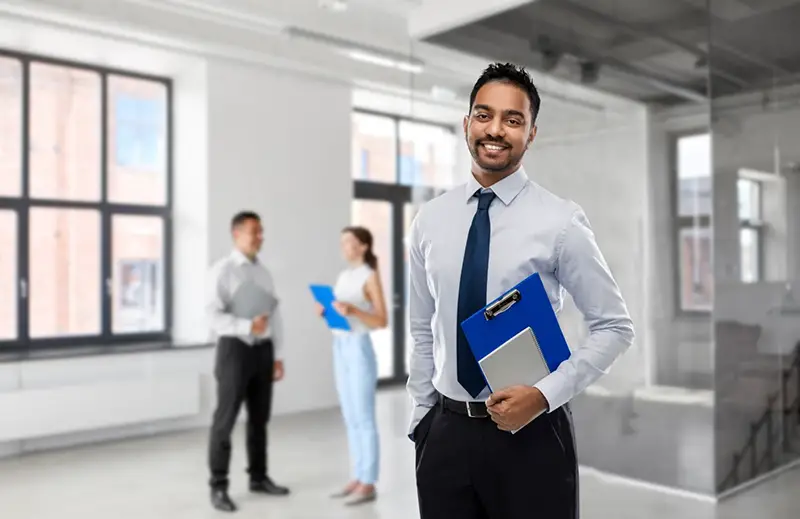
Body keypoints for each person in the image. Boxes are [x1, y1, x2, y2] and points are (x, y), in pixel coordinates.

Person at [406, 62, 635, 519]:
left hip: (532, 435)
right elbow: (421, 325)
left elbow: (614, 327)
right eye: (483, 115)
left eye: (513, 120)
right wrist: (423, 417)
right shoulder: (430, 220)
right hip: (447, 434)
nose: (496, 129)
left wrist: (546, 395)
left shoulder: (560, 221)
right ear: (466, 123)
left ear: (531, 133)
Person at [206, 211, 290, 513]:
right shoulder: (222, 271)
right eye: (254, 232)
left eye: (262, 232)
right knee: (224, 422)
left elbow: (275, 315)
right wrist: (245, 327)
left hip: (262, 351)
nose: (260, 237)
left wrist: (277, 355)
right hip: (234, 351)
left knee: (259, 420)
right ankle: (218, 486)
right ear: (236, 233)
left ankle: (258, 477)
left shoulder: (264, 273)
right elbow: (212, 317)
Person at [315, 226, 387, 506]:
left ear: (363, 247)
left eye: (349, 242)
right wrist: (328, 311)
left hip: (358, 348)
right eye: (342, 241)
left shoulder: (369, 277)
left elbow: (381, 320)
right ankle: (357, 475)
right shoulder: (344, 276)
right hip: (339, 345)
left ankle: (368, 482)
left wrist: (354, 310)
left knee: (364, 416)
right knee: (350, 415)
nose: (344, 246)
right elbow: (341, 313)